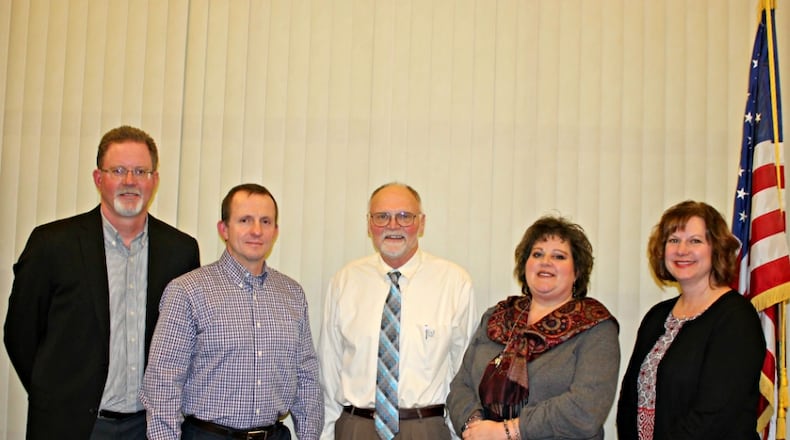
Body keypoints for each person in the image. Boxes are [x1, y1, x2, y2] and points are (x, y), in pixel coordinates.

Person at [3, 125, 201, 440]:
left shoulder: (181, 251)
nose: (130, 181)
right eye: (118, 170)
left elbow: (186, 341)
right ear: (99, 178)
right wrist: (54, 393)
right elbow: (20, 334)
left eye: (140, 171)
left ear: (154, 180)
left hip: (149, 427)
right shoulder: (51, 244)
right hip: (70, 425)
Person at [141, 183, 323, 440]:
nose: (256, 230)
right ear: (224, 229)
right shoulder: (188, 291)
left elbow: (306, 378)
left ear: (275, 230)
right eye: (245, 220)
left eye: (265, 221)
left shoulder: (292, 294)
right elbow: (162, 383)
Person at [319, 182, 478, 439]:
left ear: (422, 223)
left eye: (405, 216)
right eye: (382, 216)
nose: (393, 225)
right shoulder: (345, 281)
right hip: (357, 427)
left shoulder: (454, 282)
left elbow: (464, 373)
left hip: (425, 427)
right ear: (369, 224)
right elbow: (329, 369)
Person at [447, 215, 619, 440]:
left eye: (559, 256)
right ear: (524, 264)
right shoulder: (497, 317)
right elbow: (461, 385)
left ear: (577, 271)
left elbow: (585, 410)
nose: (545, 261)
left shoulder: (595, 326)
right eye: (537, 254)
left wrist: (507, 432)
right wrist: (476, 427)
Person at [616, 200, 765, 439]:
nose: (682, 250)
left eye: (695, 241)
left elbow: (715, 415)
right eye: (673, 240)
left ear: (716, 249)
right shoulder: (656, 316)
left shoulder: (736, 318)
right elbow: (628, 401)